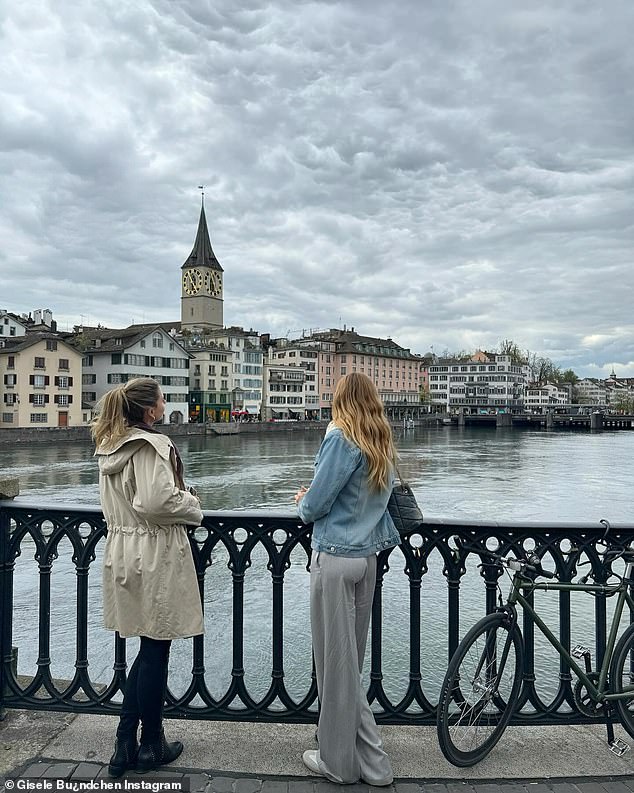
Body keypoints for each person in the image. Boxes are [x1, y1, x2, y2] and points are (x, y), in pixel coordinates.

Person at [91, 377, 203, 777]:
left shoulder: (110, 447)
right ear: (150, 410)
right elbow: (157, 502)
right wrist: (193, 505)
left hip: (123, 548)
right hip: (154, 550)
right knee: (156, 646)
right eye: (161, 399)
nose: (165, 403)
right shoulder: (151, 445)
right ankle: (150, 744)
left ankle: (125, 744)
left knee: (147, 646)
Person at [294, 372, 400, 786]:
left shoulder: (341, 435)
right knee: (349, 664)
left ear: (339, 398)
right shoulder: (381, 439)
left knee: (336, 666)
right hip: (367, 560)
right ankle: (357, 760)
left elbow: (318, 503)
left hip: (335, 559)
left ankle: (353, 765)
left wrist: (303, 501)